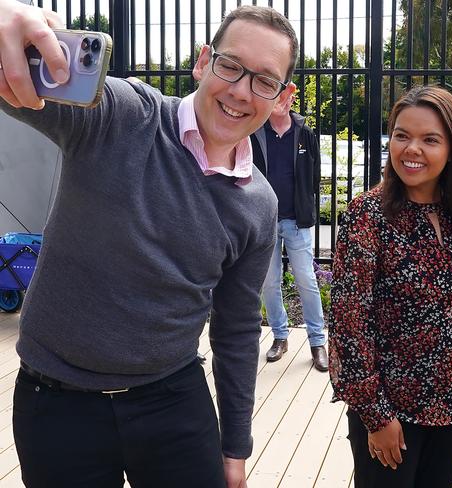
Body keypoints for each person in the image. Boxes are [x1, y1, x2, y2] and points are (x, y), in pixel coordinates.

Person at [0, 2, 298, 487]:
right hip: (57, 404)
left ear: (280, 95)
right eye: (230, 66)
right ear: (203, 62)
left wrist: (235, 447)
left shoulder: (258, 205)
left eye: (264, 80)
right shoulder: (122, 115)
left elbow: (239, 329)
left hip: (171, 402)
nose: (242, 91)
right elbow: (15, 88)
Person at [328, 85, 452, 488]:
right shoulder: (368, 215)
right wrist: (375, 414)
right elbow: (349, 325)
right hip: (391, 413)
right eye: (402, 135)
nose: (411, 149)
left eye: (430, 139)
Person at [251, 90, 328, 372]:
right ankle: (280, 337)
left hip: (297, 221)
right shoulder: (255, 133)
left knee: (306, 280)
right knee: (270, 283)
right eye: (278, 96)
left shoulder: (304, 133)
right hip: (265, 221)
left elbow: (315, 174)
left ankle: (318, 343)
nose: (283, 102)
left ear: (292, 100)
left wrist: (307, 208)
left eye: (288, 97)